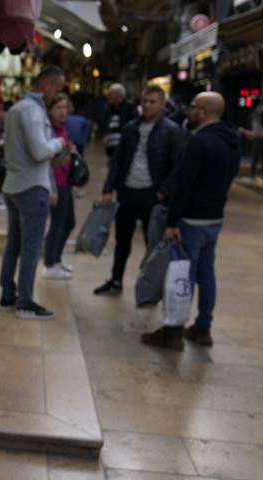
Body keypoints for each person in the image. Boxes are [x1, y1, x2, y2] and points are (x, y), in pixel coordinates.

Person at [141, 92, 241, 350]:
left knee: (183, 275)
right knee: (206, 273)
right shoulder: (232, 140)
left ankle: (173, 332)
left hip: (192, 219)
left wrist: (172, 222)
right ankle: (203, 327)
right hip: (214, 218)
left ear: (204, 112)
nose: (189, 110)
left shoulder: (199, 141)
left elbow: (183, 184)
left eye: (193, 106)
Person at [94, 86, 185, 296]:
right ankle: (116, 280)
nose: (147, 105)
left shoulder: (172, 131)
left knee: (152, 243)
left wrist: (162, 192)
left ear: (162, 105)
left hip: (152, 195)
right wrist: (108, 188)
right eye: (144, 101)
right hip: (128, 191)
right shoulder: (130, 128)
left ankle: (151, 288)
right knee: (122, 241)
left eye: (152, 102)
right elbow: (117, 160)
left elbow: (177, 166)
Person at [0, 66, 68, 320]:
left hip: (13, 184)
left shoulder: (17, 108)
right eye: (57, 89)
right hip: (31, 187)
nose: (56, 95)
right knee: (30, 247)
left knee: (14, 245)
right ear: (47, 85)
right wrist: (59, 143)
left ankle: (8, 295)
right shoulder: (33, 111)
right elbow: (39, 151)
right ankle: (25, 302)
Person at [43, 93, 76, 280]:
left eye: (65, 108)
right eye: (58, 108)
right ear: (49, 110)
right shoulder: (49, 130)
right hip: (56, 183)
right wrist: (52, 189)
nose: (63, 112)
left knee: (69, 222)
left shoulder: (63, 128)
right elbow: (48, 160)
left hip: (65, 181)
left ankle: (56, 259)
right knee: (57, 223)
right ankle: (50, 264)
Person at [98, 83, 137, 159]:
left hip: (124, 145)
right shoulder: (109, 108)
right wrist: (104, 135)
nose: (108, 96)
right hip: (111, 145)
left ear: (118, 95)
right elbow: (104, 123)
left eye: (111, 94)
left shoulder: (129, 107)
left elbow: (133, 125)